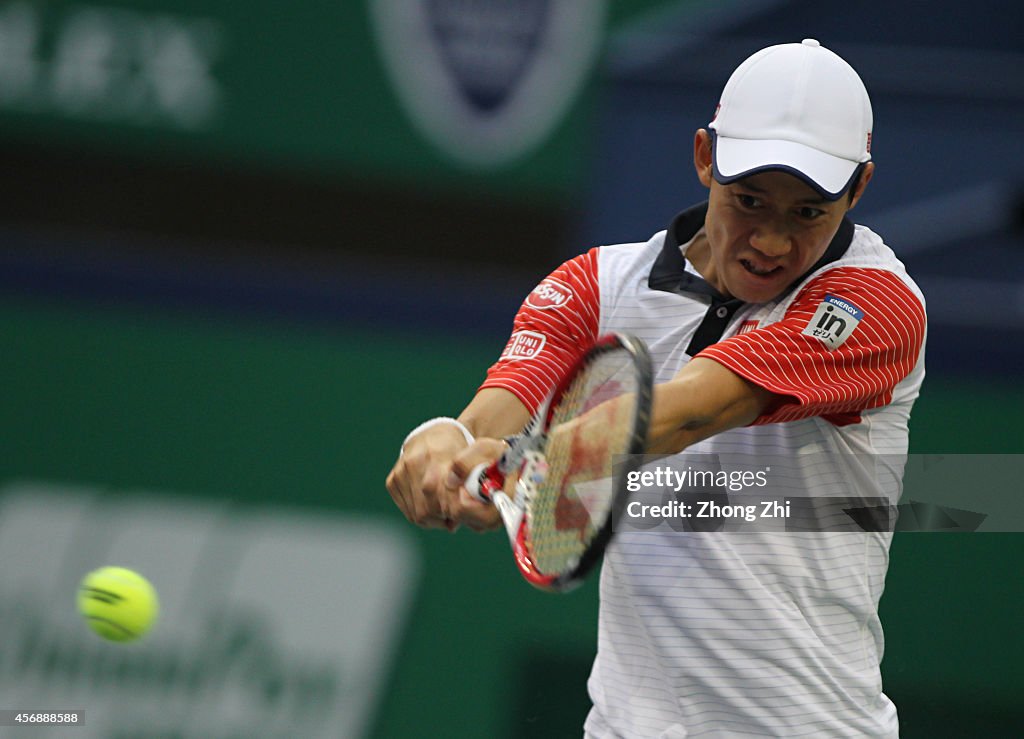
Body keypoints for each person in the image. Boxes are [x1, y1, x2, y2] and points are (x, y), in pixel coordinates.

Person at [387, 39, 925, 738]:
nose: (771, 240)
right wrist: (445, 447)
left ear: (858, 189)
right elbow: (496, 411)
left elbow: (698, 406)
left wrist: (543, 462)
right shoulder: (594, 285)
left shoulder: (875, 304)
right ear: (705, 157)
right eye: (750, 200)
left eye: (806, 213)